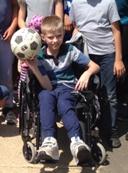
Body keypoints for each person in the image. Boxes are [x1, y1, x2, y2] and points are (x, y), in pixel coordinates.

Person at [26, 15, 100, 165]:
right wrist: (34, 67)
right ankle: (49, 141)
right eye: (51, 37)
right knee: (45, 97)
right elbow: (47, 86)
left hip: (67, 87)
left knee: (64, 102)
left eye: (59, 36)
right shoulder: (39, 56)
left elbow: (95, 66)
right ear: (43, 37)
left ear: (63, 34)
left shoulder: (70, 50)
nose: (55, 40)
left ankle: (76, 142)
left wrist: (87, 73)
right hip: (49, 87)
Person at [70, 0, 126, 148]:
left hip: (107, 54)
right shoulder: (76, 3)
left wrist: (118, 59)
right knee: (86, 93)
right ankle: (90, 127)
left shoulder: (109, 2)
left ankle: (111, 131)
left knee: (110, 95)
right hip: (86, 54)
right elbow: (76, 26)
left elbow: (116, 30)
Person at [0, 0, 18, 124]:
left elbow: (16, 6)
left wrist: (12, 27)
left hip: (5, 36)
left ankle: (8, 107)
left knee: (7, 75)